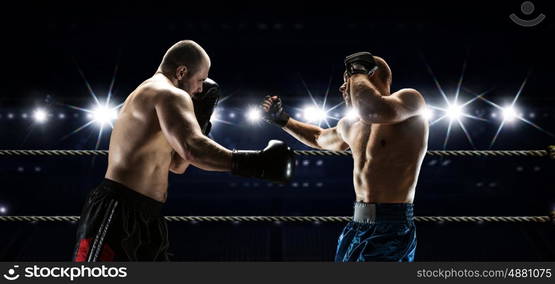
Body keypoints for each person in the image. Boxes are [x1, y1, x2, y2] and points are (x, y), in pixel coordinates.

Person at [73, 40, 294, 262]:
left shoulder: (156, 92)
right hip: (118, 211)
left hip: (147, 215)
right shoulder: (167, 93)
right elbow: (192, 149)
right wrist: (257, 164)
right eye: (199, 80)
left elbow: (178, 164)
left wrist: (201, 117)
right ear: (181, 71)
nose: (200, 89)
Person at [261, 52, 428, 262]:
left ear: (369, 75)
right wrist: (283, 120)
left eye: (346, 80)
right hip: (356, 224)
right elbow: (319, 137)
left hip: (392, 224)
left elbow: (374, 111)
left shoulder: (410, 100)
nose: (342, 88)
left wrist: (357, 73)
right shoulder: (352, 125)